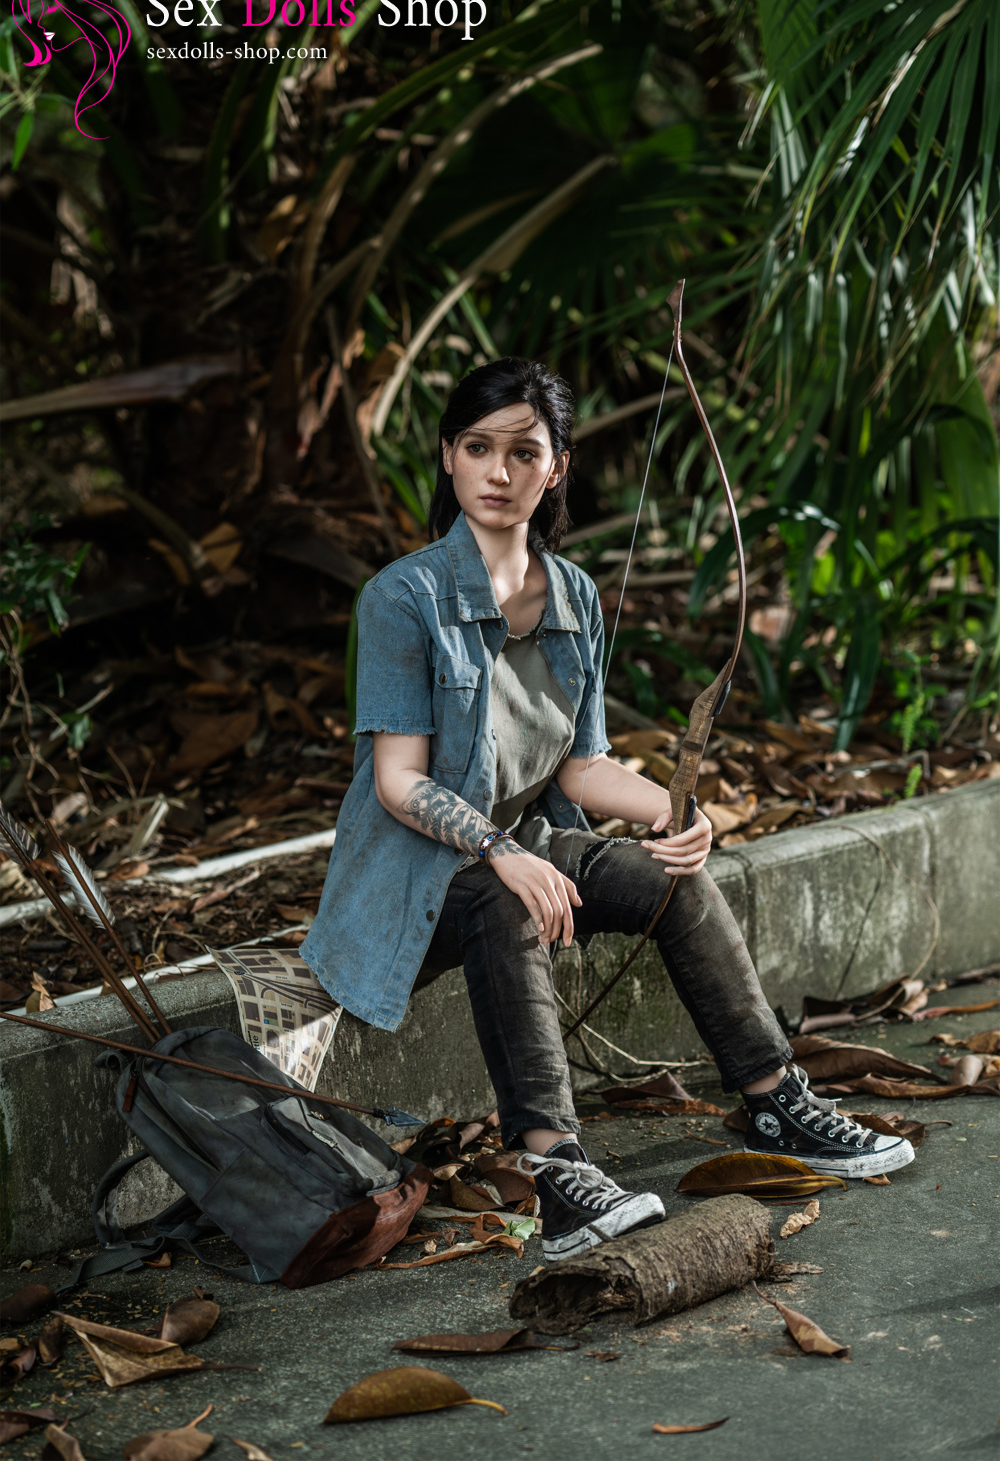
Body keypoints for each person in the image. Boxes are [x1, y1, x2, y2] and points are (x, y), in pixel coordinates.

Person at [303, 357, 914, 1261]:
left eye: (524, 452)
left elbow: (582, 766)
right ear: (449, 457)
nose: (499, 471)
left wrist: (678, 810)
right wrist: (500, 850)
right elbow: (398, 781)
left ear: (556, 468)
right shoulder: (403, 597)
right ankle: (557, 1173)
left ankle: (776, 1102)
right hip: (412, 882)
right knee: (509, 897)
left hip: (527, 846)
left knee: (675, 882)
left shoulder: (574, 594)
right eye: (478, 448)